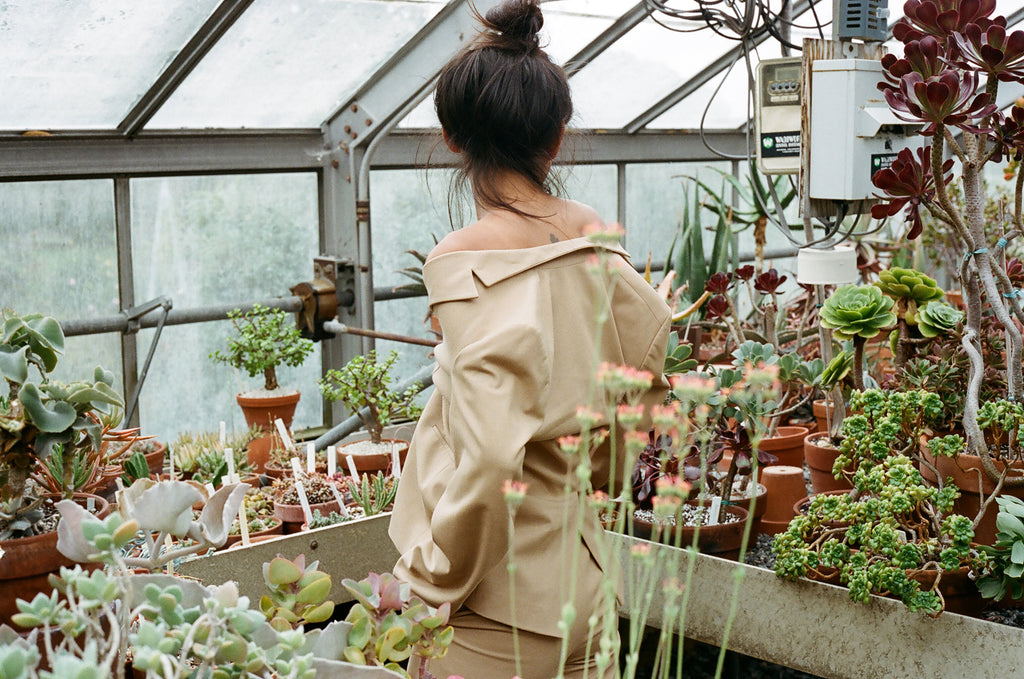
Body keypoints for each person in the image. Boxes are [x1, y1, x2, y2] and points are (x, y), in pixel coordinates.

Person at [388, 1, 671, 677]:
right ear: (558, 137)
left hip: (494, 601)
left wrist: (428, 586)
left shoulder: (465, 255)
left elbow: (488, 454)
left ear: (452, 138)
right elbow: (641, 391)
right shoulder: (592, 239)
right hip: (587, 580)